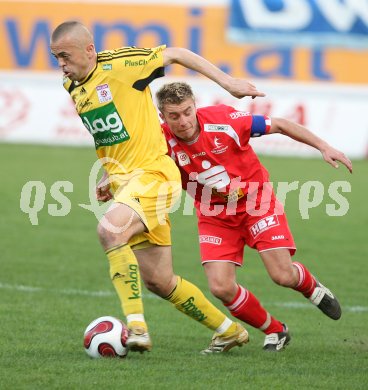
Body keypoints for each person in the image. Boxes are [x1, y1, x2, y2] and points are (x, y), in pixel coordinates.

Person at [50, 21, 266, 354]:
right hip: (129, 184)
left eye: (65, 55)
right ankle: (228, 331)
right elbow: (115, 131)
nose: (61, 64)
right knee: (159, 281)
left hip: (155, 176)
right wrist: (112, 174)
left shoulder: (121, 66)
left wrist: (229, 82)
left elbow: (176, 53)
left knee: (109, 231)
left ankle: (136, 327)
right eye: (56, 57)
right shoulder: (72, 85)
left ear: (89, 50)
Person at [156, 81, 353, 352]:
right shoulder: (158, 140)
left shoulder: (225, 121)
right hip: (214, 214)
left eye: (187, 112)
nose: (183, 121)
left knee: (283, 275)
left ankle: (310, 287)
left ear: (195, 106)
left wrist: (323, 146)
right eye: (174, 116)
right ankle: (275, 330)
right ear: (163, 116)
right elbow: (135, 160)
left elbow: (281, 124)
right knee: (221, 287)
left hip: (256, 202)